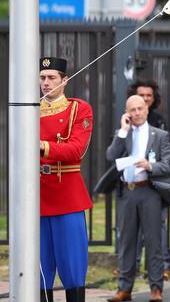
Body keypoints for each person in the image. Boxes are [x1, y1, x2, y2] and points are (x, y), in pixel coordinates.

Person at [106, 95, 170, 302]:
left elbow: (168, 165)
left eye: (139, 109)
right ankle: (124, 288)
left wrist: (150, 166)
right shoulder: (122, 133)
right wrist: (123, 131)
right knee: (126, 241)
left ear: (146, 109)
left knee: (153, 240)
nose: (136, 113)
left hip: (149, 191)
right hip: (128, 192)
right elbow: (111, 156)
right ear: (127, 113)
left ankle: (156, 288)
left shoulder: (159, 135)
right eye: (132, 110)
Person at [39, 57, 93, 302]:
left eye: (52, 78)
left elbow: (75, 150)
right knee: (38, 268)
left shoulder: (78, 109)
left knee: (72, 267)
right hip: (36, 197)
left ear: (65, 80)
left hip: (66, 195)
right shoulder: (29, 109)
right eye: (42, 78)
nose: (46, 83)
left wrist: (41, 146)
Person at [127, 79, 170, 280]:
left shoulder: (159, 122)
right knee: (130, 229)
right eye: (141, 95)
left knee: (157, 228)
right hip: (132, 184)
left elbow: (165, 156)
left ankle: (161, 268)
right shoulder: (126, 122)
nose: (144, 99)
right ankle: (131, 267)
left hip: (154, 182)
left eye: (148, 96)